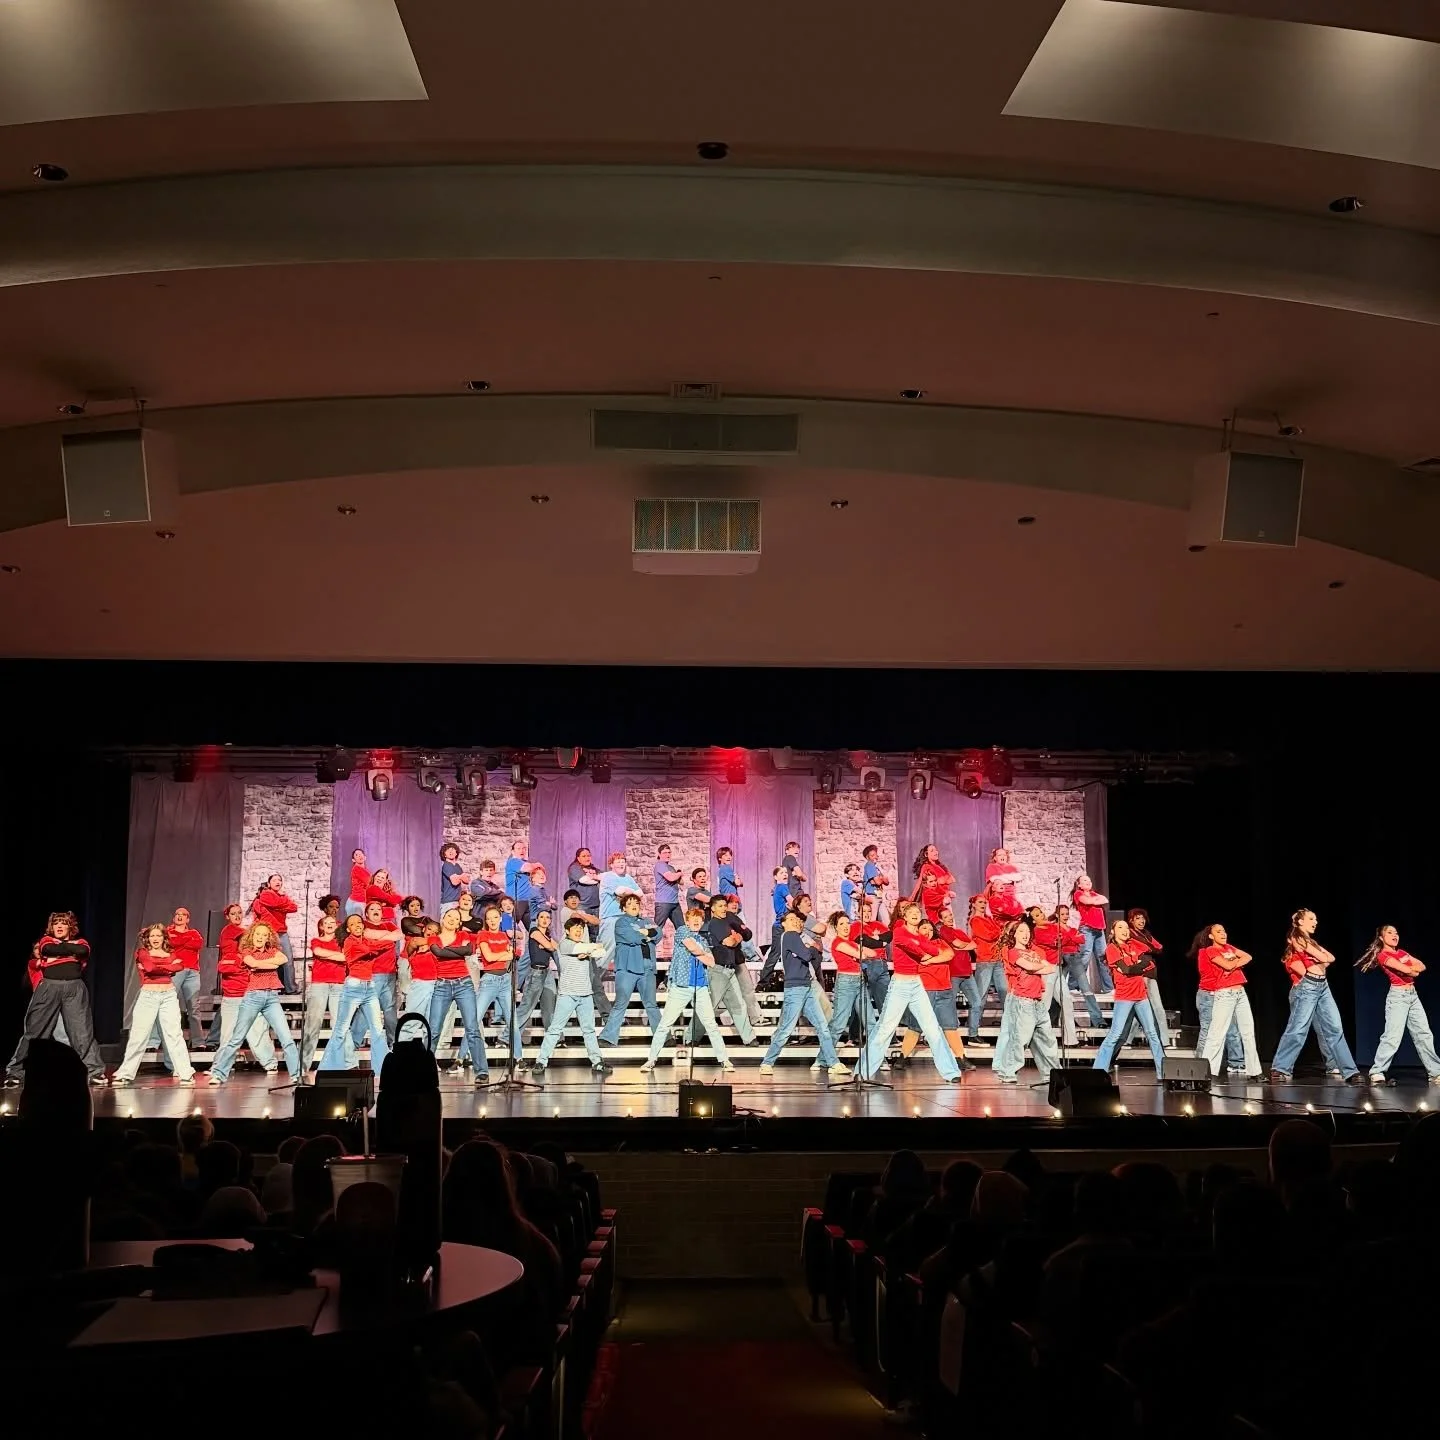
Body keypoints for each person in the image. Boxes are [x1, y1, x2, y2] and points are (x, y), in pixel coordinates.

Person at [858, 901, 963, 1083]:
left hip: (916, 984)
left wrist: (926, 951)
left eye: (917, 911)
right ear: (904, 917)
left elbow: (934, 950)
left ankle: (951, 1071)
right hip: (900, 984)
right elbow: (914, 948)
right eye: (911, 912)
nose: (915, 913)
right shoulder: (899, 931)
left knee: (932, 1028)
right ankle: (863, 1071)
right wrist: (925, 953)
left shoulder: (921, 937)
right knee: (885, 1029)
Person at [5, 911, 106, 1086]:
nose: (59, 926)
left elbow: (82, 951)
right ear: (51, 927)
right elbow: (48, 949)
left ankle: (94, 1071)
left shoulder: (81, 941)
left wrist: (63, 951)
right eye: (56, 923)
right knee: (34, 1032)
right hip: (49, 987)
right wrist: (69, 952)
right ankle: (15, 1071)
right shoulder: (46, 940)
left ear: (70, 927)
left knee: (82, 1032)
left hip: (74, 989)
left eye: (63, 923)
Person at [1270, 909, 1362, 1084]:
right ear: (1299, 922)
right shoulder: (1297, 938)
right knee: (1298, 1028)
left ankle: (1350, 1071)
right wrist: (1320, 958)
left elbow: (1332, 958)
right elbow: (1323, 957)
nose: (1315, 922)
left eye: (1316, 919)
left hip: (1323, 986)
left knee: (1335, 1028)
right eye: (1311, 919)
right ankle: (1280, 1068)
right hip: (1308, 987)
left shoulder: (1311, 942)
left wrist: (1320, 957)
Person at [641, 905, 733, 1073]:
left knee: (711, 1024)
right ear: (688, 920)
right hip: (681, 986)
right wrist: (702, 954)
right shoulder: (682, 931)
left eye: (700, 918)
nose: (697, 920)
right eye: (693, 918)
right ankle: (651, 1059)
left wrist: (703, 955)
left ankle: (724, 1060)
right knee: (665, 1024)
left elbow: (712, 962)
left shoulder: (704, 940)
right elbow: (692, 948)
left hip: (700, 987)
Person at [208, 923, 302, 1085]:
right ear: (252, 935)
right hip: (253, 997)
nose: (260, 937)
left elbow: (284, 959)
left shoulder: (272, 951)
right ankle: (219, 1073)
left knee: (286, 1038)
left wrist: (269, 962)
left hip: (272, 997)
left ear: (268, 938)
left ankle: (296, 1075)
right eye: (257, 934)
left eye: (264, 935)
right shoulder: (246, 951)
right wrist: (272, 964)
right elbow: (254, 964)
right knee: (236, 1037)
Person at [759, 911, 848, 1077]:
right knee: (786, 1028)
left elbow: (813, 956)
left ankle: (833, 1062)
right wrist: (810, 949)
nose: (795, 922)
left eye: (797, 920)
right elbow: (809, 955)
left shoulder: (796, 938)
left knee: (822, 1026)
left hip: (806, 986)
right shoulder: (790, 935)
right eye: (791, 919)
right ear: (784, 923)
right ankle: (767, 1062)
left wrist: (809, 950)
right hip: (796, 989)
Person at [112, 925, 198, 1086]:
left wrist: (163, 968)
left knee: (174, 1035)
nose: (156, 938)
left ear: (164, 938)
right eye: (152, 936)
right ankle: (126, 1073)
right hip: (148, 996)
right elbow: (150, 968)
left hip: (168, 995)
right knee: (139, 1036)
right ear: (148, 938)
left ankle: (185, 1072)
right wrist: (168, 969)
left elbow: (179, 966)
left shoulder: (171, 953)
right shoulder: (143, 953)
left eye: (159, 935)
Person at [314, 909, 394, 1076]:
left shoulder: (366, 940)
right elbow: (367, 950)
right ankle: (329, 1070)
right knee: (341, 1029)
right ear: (348, 929)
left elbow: (388, 944)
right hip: (354, 987)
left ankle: (384, 1070)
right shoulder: (349, 942)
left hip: (370, 987)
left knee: (378, 1029)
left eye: (359, 923)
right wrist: (377, 943)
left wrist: (376, 943)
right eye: (353, 924)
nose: (357, 926)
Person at [531, 917, 613, 1077]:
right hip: (567, 994)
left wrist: (589, 950)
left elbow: (602, 951)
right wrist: (590, 949)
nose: (578, 931)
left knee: (589, 1030)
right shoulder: (564, 944)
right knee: (555, 1029)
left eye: (581, 929)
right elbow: (581, 948)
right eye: (575, 928)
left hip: (586, 994)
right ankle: (541, 1061)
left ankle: (597, 1062)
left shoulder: (583, 946)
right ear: (567, 931)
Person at [1359, 925, 1440, 1086]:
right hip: (1398, 997)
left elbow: (1421, 966)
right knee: (1392, 1036)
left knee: (1424, 1034)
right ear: (1381, 938)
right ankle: (1377, 1071)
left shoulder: (1402, 953)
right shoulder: (1383, 955)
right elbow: (1412, 972)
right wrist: (1410, 969)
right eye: (1390, 933)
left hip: (1413, 996)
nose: (1394, 935)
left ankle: (1435, 1073)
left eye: (1396, 932)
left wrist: (1410, 969)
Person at [1093, 917, 1166, 1076]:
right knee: (1115, 1034)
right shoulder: (1112, 949)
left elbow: (1151, 967)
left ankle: (1163, 1072)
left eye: (1126, 927)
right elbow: (1126, 970)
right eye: (1120, 928)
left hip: (1141, 996)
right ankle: (1098, 1071)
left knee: (1152, 1034)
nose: (1125, 930)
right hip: (1125, 997)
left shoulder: (1133, 945)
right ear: (1113, 932)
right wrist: (1140, 967)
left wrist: (1136, 967)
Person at [894, 917, 971, 1068]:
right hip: (924, 990)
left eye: (930, 929)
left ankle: (961, 1058)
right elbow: (921, 957)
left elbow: (949, 954)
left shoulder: (939, 942)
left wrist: (929, 960)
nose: (928, 932)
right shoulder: (914, 943)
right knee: (915, 1026)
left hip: (944, 990)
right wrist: (935, 957)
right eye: (924, 928)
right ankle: (902, 1058)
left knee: (950, 1026)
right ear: (917, 929)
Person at [1190, 923, 1263, 1080]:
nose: (1223, 934)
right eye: (1218, 931)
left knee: (1248, 1032)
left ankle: (1255, 1071)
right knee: (1216, 1033)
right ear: (1211, 936)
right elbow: (1227, 965)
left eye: (1224, 931)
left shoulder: (1228, 947)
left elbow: (1248, 957)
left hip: (1240, 992)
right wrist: (1235, 963)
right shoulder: (1210, 950)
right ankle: (1208, 1072)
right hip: (1225, 993)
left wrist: (1233, 964)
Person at [992, 917, 1060, 1083]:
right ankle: (1008, 1072)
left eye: (1028, 932)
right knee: (1019, 1039)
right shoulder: (1013, 951)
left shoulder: (1034, 953)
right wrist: (1039, 967)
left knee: (1047, 1041)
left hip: (1038, 1001)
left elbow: (1051, 967)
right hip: (1023, 1000)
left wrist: (1038, 966)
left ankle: (1052, 1074)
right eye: (1021, 931)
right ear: (1014, 934)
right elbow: (1029, 966)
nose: (1025, 935)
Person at [213, 902, 277, 1073]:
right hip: (232, 996)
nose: (237, 916)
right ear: (227, 916)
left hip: (250, 994)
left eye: (239, 913)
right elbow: (223, 966)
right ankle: (220, 1066)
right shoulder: (229, 935)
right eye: (233, 913)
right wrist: (244, 964)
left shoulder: (250, 953)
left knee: (257, 1031)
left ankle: (270, 1064)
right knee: (228, 1035)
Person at [424, 909, 485, 1082]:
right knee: (434, 1029)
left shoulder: (463, 935)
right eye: (449, 916)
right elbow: (439, 952)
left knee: (472, 1029)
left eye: (456, 918)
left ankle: (482, 1071)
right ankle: (422, 1069)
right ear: (443, 919)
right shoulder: (434, 938)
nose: (452, 919)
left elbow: (468, 951)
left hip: (463, 983)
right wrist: (458, 950)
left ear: (459, 923)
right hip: (442, 985)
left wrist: (453, 949)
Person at [599, 894, 662, 1045]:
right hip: (628, 967)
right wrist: (648, 935)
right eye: (630, 903)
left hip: (647, 967)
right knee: (621, 1002)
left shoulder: (647, 921)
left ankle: (662, 1037)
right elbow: (632, 937)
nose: (634, 905)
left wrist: (647, 933)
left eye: (636, 902)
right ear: (624, 908)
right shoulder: (621, 922)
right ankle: (608, 1037)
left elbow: (658, 933)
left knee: (651, 1004)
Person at [1036, 902, 1101, 1038]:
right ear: (1057, 915)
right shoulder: (1054, 927)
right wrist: (1071, 938)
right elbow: (1062, 941)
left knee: (1086, 988)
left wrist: (1069, 938)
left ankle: (1097, 1020)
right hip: (1062, 958)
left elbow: (1082, 939)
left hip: (1074, 958)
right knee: (1057, 991)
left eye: (1067, 914)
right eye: (1063, 914)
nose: (1065, 916)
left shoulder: (1071, 928)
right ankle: (1052, 1020)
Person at [474, 903, 525, 1072]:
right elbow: (488, 956)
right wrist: (504, 954)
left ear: (500, 918)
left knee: (513, 1022)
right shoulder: (483, 934)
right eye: (489, 919)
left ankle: (519, 1058)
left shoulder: (504, 936)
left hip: (505, 980)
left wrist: (503, 955)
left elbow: (514, 954)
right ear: (486, 921)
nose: (492, 921)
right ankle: (461, 1058)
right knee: (474, 1019)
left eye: (495, 917)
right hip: (489, 979)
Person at [702, 895, 758, 1045]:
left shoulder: (729, 919)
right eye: (720, 906)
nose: (724, 908)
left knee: (738, 1005)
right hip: (719, 971)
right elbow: (729, 941)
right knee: (709, 1007)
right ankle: (690, 1036)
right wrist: (737, 937)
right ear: (713, 908)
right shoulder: (714, 923)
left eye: (724, 905)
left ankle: (749, 1037)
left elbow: (745, 935)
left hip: (730, 969)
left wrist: (737, 937)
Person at [301, 914, 350, 1071]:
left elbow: (346, 957)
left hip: (338, 985)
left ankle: (346, 1064)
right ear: (321, 926)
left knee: (340, 1024)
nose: (330, 924)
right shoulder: (316, 941)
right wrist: (337, 956)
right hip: (319, 985)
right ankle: (303, 1065)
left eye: (333, 922)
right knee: (313, 1024)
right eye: (326, 922)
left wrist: (336, 956)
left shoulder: (342, 941)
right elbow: (319, 952)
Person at [561, 887, 609, 1022]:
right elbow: (576, 917)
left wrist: (585, 917)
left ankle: (608, 1017)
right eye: (571, 898)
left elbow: (596, 921)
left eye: (576, 898)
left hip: (587, 953)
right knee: (575, 988)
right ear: (565, 902)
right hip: (573, 954)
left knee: (596, 986)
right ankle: (572, 1019)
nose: (574, 900)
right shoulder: (565, 911)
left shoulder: (581, 911)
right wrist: (586, 917)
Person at [161, 906, 205, 1050]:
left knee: (194, 1008)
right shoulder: (168, 932)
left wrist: (181, 941)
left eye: (183, 914)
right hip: (176, 971)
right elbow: (171, 944)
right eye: (177, 914)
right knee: (166, 1005)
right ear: (174, 918)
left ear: (188, 919)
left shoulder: (194, 933)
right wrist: (184, 941)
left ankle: (198, 1042)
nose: (180, 916)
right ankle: (155, 1042)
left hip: (192, 972)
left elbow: (198, 944)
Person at [516, 906, 559, 1050]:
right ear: (537, 920)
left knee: (550, 1007)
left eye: (548, 917)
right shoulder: (534, 931)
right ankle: (507, 1037)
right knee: (526, 1007)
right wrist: (547, 945)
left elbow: (556, 947)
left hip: (547, 974)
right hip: (535, 973)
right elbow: (551, 947)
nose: (545, 920)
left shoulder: (549, 936)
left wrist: (547, 945)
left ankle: (554, 1038)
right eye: (542, 917)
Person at [827, 911, 871, 1048]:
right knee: (839, 1024)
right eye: (842, 924)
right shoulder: (837, 942)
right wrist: (861, 952)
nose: (846, 926)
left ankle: (879, 1059)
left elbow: (873, 953)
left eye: (848, 923)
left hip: (860, 981)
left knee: (870, 1022)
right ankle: (822, 1058)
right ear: (836, 927)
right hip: (846, 982)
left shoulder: (852, 942)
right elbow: (863, 955)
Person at [966, 894, 1006, 1045]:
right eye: (980, 902)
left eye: (984, 902)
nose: (983, 904)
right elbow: (989, 935)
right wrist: (999, 931)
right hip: (985, 960)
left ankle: (1011, 1028)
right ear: (974, 904)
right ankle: (973, 1032)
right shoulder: (975, 920)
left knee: (1005, 993)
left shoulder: (989, 919)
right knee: (980, 997)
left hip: (998, 960)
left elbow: (999, 934)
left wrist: (999, 931)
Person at [597, 852, 644, 972]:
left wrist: (629, 891)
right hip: (611, 918)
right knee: (605, 951)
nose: (621, 864)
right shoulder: (608, 877)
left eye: (623, 861)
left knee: (626, 949)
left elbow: (640, 893)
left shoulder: (628, 878)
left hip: (626, 918)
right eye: (618, 861)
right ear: (611, 864)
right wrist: (630, 892)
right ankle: (594, 981)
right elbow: (620, 891)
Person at [252, 875, 299, 992]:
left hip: (282, 931)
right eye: (274, 880)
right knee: (272, 959)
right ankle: (275, 986)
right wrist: (283, 903)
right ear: (269, 884)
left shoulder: (282, 896)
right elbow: (275, 904)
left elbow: (294, 907)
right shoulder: (266, 894)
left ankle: (290, 988)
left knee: (287, 960)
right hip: (270, 932)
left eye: (279, 880)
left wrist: (280, 903)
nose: (277, 882)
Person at [1071, 874, 1111, 994]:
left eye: (1089, 880)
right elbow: (1086, 901)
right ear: (1079, 885)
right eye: (1084, 880)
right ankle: (1073, 986)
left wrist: (1093, 900)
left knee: (1103, 958)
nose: (1088, 882)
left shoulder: (1094, 894)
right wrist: (1094, 901)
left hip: (1099, 930)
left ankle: (1108, 988)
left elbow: (1105, 899)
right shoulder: (1078, 894)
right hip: (1087, 929)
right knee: (1084, 957)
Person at [911, 844, 954, 926]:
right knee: (941, 924)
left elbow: (949, 879)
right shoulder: (926, 866)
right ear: (926, 854)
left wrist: (947, 893)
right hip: (936, 900)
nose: (936, 852)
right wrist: (911, 899)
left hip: (944, 899)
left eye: (936, 850)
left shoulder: (939, 866)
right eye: (932, 850)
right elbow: (920, 883)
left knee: (949, 925)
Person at [504, 839, 541, 925]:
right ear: (513, 851)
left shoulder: (525, 862)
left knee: (534, 928)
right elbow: (529, 868)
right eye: (519, 848)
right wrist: (537, 864)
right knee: (510, 927)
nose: (522, 850)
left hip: (527, 900)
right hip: (516, 900)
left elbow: (539, 873)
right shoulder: (513, 861)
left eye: (524, 848)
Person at [567, 848, 603, 935]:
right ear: (578, 858)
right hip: (582, 906)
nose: (587, 858)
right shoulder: (574, 867)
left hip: (596, 906)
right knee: (582, 932)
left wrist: (597, 877)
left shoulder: (593, 869)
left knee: (595, 933)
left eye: (589, 855)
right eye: (584, 856)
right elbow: (583, 880)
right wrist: (596, 879)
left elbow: (604, 877)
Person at [652, 845, 685, 938]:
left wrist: (678, 875)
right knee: (656, 930)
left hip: (674, 902)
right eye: (665, 853)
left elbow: (681, 882)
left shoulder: (670, 867)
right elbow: (670, 878)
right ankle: (647, 950)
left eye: (669, 852)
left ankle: (683, 951)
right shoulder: (660, 865)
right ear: (659, 854)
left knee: (682, 929)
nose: (667, 854)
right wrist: (679, 873)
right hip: (663, 902)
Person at [983, 847, 1024, 920]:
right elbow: (994, 879)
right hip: (999, 894)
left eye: (1004, 855)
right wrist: (1009, 878)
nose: (1002, 857)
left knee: (1016, 911)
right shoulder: (991, 866)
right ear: (995, 858)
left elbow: (1018, 877)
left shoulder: (1012, 867)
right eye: (999, 855)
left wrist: (1003, 877)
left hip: (1011, 894)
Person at [438, 842, 468, 913]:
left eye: (452, 849)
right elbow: (455, 882)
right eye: (448, 850)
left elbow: (467, 880)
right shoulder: (446, 865)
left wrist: (459, 877)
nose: (450, 851)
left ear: (456, 853)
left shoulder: (457, 866)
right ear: (444, 854)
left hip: (457, 901)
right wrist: (461, 876)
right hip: (448, 902)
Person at [345, 849, 370, 918]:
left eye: (361, 854)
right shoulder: (356, 869)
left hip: (359, 901)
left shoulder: (365, 870)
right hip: (356, 902)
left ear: (365, 857)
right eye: (357, 855)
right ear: (353, 860)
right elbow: (369, 883)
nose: (359, 856)